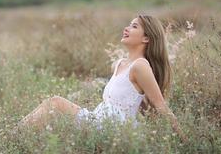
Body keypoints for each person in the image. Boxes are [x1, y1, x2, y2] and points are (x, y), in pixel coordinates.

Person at [17, 15, 187, 142]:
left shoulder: (140, 65)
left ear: (146, 38)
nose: (126, 28)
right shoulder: (120, 64)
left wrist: (184, 141)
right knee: (54, 119)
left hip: (115, 129)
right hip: (99, 121)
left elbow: (160, 105)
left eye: (134, 26)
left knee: (55, 103)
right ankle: (20, 140)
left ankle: (14, 137)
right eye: (128, 24)